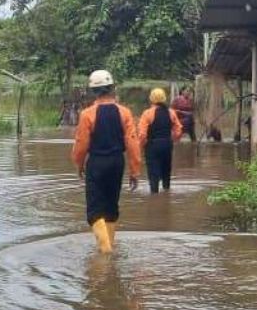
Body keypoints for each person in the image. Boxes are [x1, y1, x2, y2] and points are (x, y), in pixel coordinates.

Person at [72, 70, 141, 253]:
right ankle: (109, 246)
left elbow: (81, 144)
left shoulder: (87, 114)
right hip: (117, 163)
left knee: (94, 211)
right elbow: (133, 143)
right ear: (112, 88)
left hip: (97, 163)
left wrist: (79, 165)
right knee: (111, 208)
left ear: (94, 91)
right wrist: (135, 171)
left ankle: (105, 250)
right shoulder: (124, 113)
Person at [137, 88, 183, 194]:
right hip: (167, 145)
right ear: (164, 99)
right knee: (166, 171)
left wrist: (140, 147)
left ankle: (155, 197)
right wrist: (173, 140)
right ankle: (166, 191)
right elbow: (178, 130)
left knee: (153, 173)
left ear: (151, 99)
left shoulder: (147, 113)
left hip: (152, 146)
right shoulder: (171, 112)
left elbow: (142, 134)